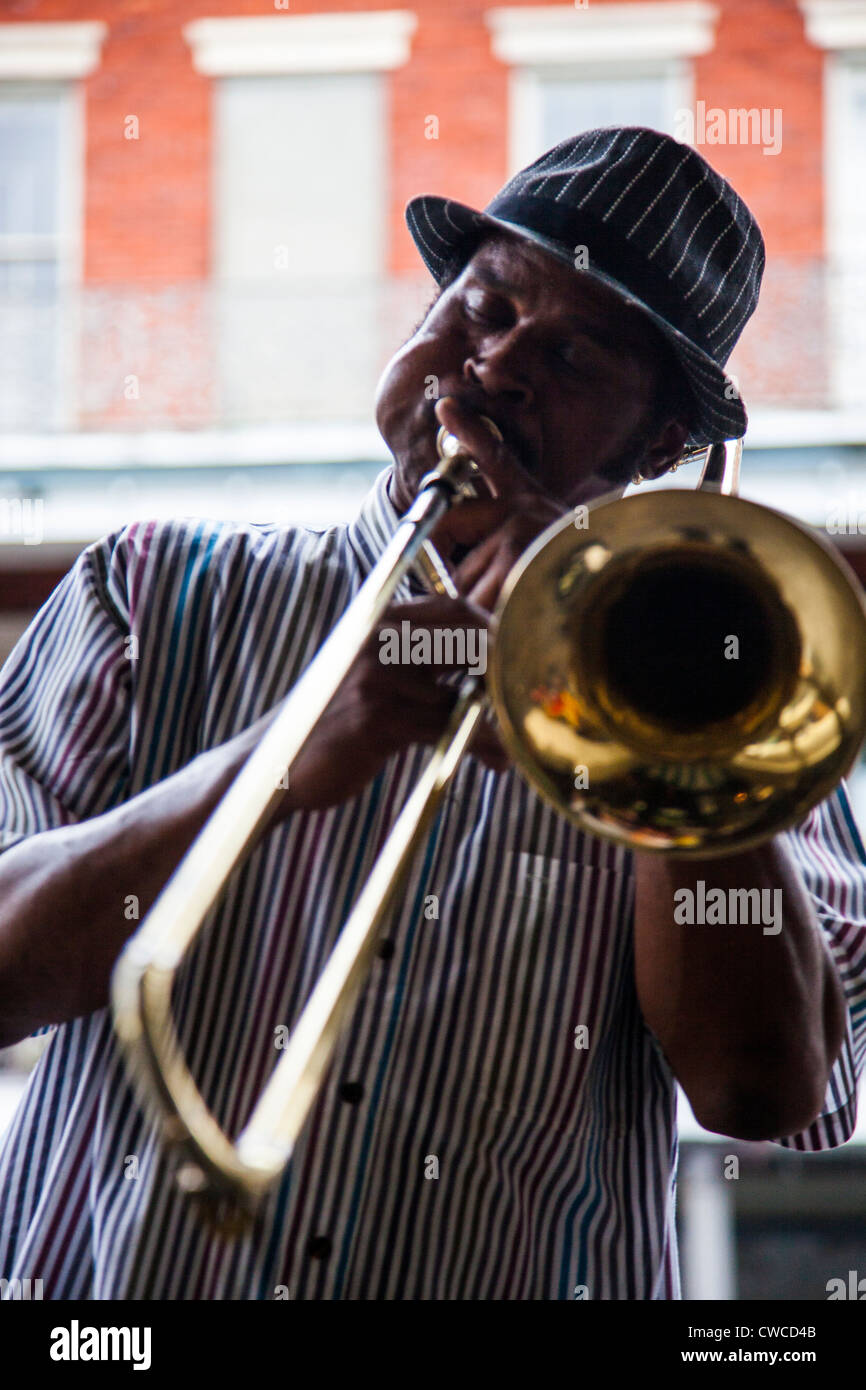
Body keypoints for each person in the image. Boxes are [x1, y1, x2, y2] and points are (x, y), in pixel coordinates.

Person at [0, 126, 864, 1301]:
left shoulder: (729, 694)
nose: (498, 365)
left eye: (572, 359)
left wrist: (661, 738)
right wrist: (273, 762)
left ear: (660, 443)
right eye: (483, 306)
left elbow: (761, 1089)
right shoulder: (149, 590)